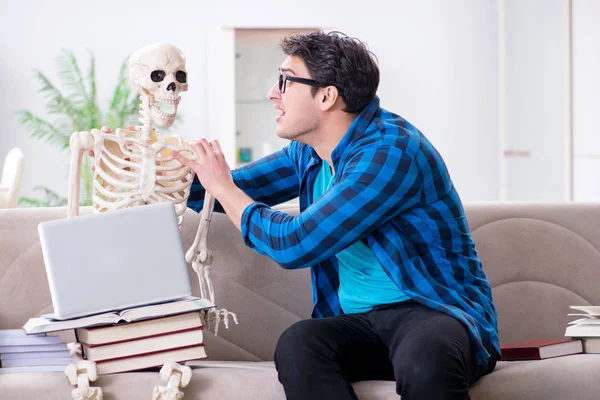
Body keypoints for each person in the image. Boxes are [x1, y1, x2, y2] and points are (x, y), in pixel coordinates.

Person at [172, 30, 500, 400]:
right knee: (300, 345)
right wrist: (156, 163)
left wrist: (224, 189)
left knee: (424, 357)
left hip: (433, 313)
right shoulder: (309, 152)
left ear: (327, 96)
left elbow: (296, 243)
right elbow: (224, 188)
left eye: (285, 81)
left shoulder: (390, 153)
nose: (272, 93)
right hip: (362, 323)